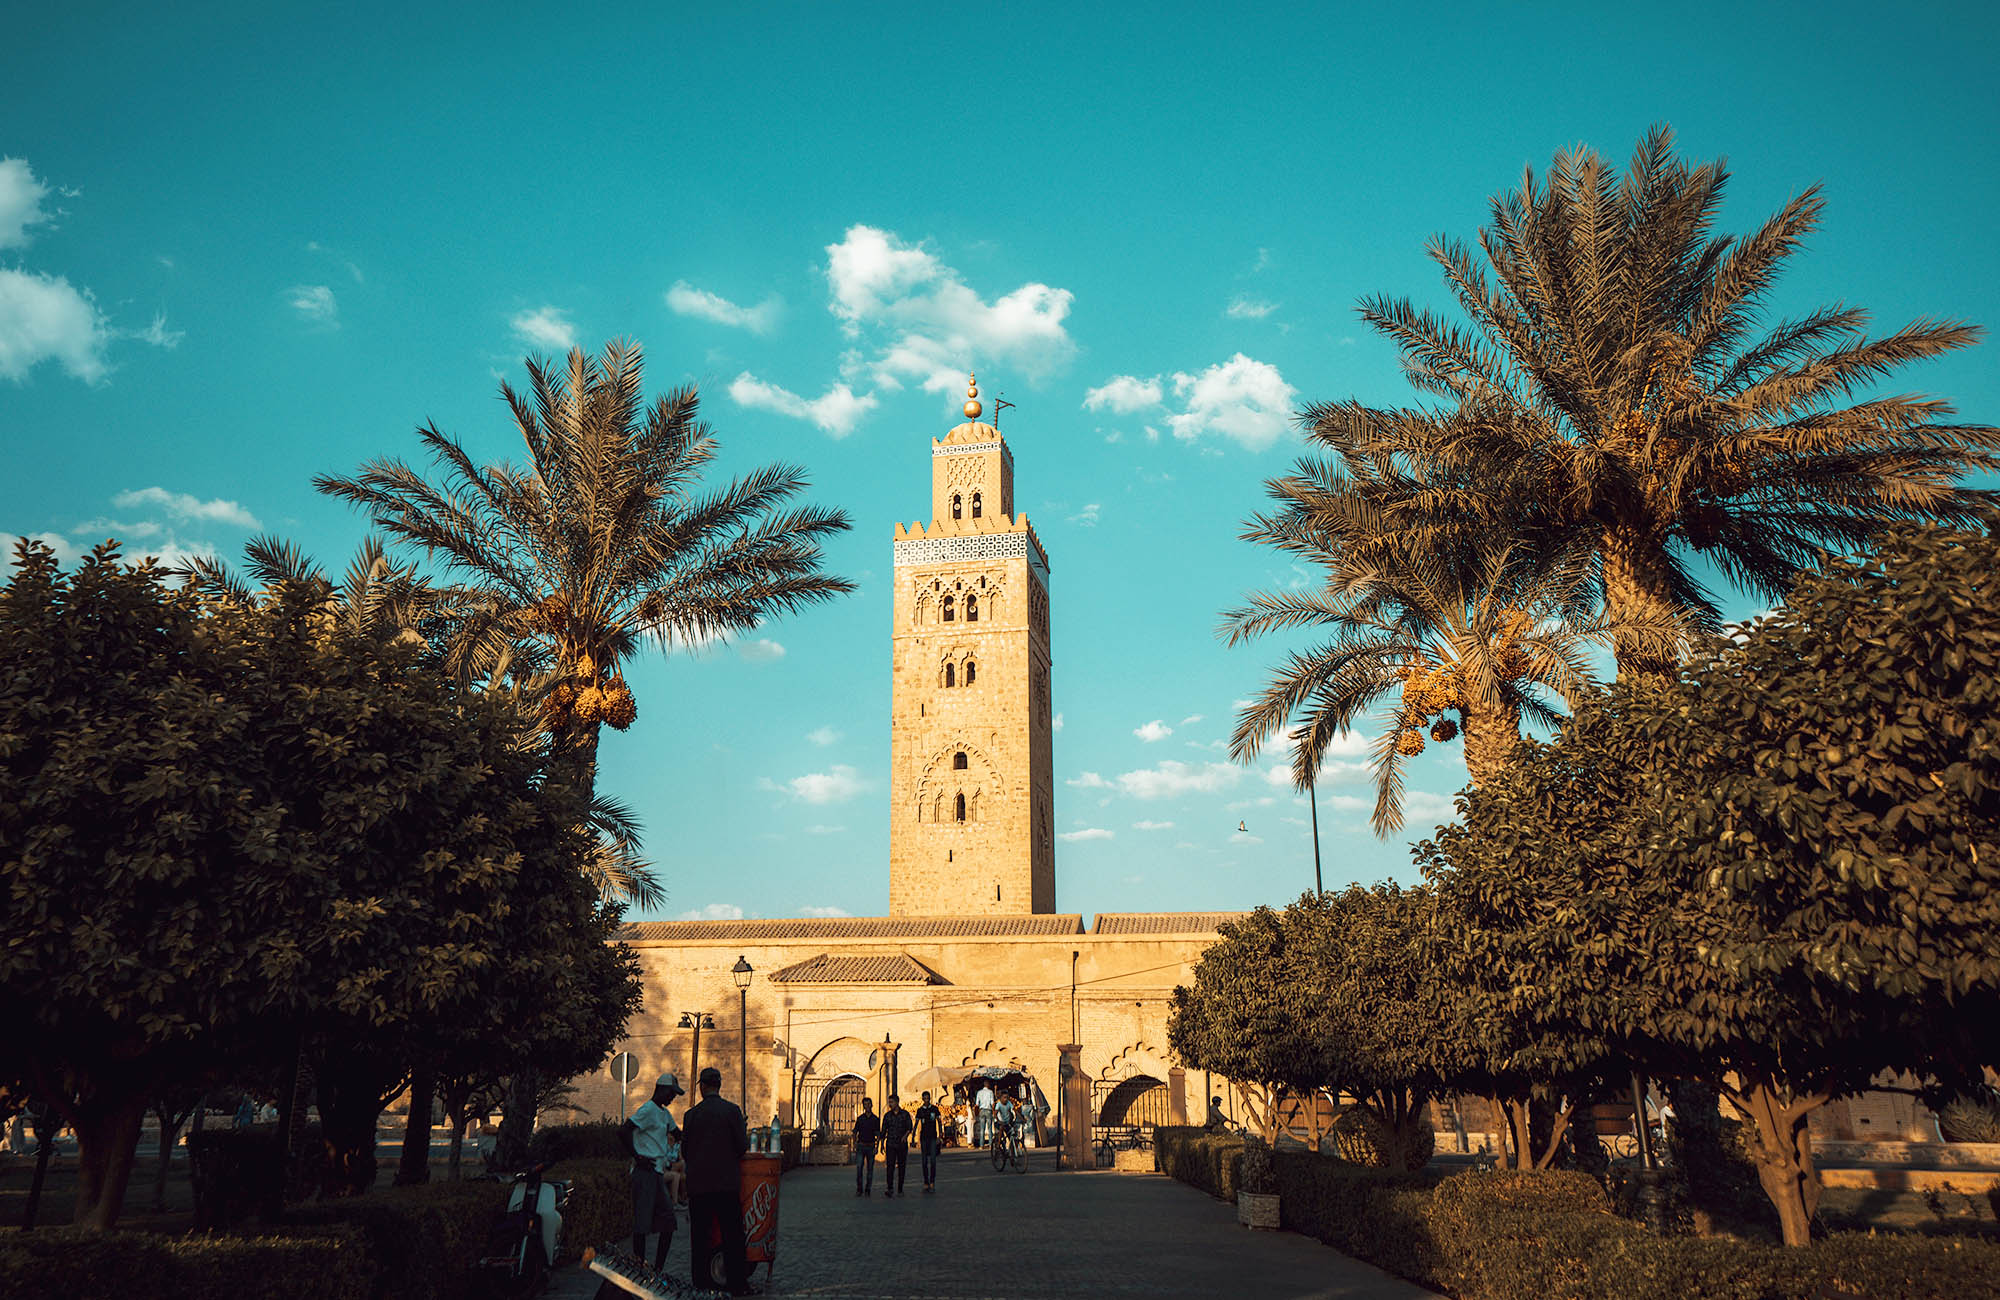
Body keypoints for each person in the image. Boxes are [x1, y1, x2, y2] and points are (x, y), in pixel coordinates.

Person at [681, 1066, 755, 1297]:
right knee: (733, 1236)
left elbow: (685, 1150)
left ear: (702, 1087)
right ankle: (737, 1284)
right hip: (726, 1185)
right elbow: (742, 1146)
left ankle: (701, 1283)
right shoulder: (732, 1111)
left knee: (700, 1237)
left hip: (699, 1187)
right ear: (719, 1086)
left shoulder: (690, 1115)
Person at [617, 1071, 684, 1273]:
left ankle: (657, 1270)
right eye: (671, 1093)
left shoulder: (665, 1114)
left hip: (656, 1172)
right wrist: (637, 1156)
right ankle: (639, 1269)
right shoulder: (647, 1110)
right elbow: (623, 1131)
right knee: (642, 1225)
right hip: (644, 1172)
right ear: (661, 1090)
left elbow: (678, 1135)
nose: (673, 1098)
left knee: (669, 1223)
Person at [880, 1095, 912, 1197]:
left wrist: (905, 1136)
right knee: (890, 1167)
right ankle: (890, 1188)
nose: (890, 1104)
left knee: (902, 1167)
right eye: (889, 1102)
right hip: (890, 1144)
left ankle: (900, 1188)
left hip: (902, 1145)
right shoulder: (887, 1116)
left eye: (892, 1102)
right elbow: (883, 1131)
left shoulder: (905, 1115)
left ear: (897, 1102)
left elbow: (909, 1128)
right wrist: (881, 1145)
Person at [914, 1091, 943, 1192]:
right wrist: (915, 1138)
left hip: (933, 1138)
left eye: (928, 1098)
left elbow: (939, 1122)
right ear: (922, 1099)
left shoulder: (935, 1109)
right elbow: (917, 1124)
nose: (926, 1100)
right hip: (923, 1138)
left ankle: (932, 1182)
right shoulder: (920, 1110)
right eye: (924, 1098)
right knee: (924, 1161)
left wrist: (940, 1135)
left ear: (930, 1098)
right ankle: (926, 1182)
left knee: (933, 1161)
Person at [851, 1097, 880, 1196]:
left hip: (871, 1146)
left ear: (871, 1105)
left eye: (868, 1104)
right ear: (863, 1106)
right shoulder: (860, 1119)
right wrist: (854, 1143)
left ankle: (868, 1189)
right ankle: (859, 1189)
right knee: (859, 1168)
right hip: (861, 1146)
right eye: (865, 1104)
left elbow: (877, 1134)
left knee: (870, 1169)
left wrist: (877, 1147)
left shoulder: (875, 1119)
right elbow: (855, 1132)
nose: (867, 1106)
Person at [974, 1080, 995, 1147]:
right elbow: (992, 1103)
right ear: (988, 1085)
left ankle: (981, 1145)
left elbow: (977, 1104)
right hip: (988, 1110)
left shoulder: (979, 1092)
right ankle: (991, 1144)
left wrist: (977, 1112)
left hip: (982, 1111)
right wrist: (994, 1111)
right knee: (989, 1128)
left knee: (982, 1129)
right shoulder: (990, 1092)